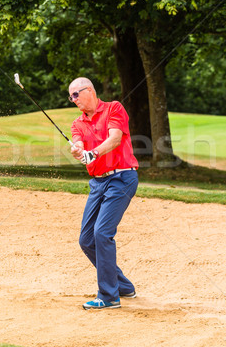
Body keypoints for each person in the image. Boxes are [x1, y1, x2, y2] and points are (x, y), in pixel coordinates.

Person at [68, 77, 139, 310]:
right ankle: (123, 286)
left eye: (76, 94)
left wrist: (94, 153)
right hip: (97, 183)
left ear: (90, 90)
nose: (73, 100)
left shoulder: (113, 108)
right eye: (70, 97)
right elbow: (78, 143)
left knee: (102, 232)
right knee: (87, 239)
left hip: (121, 178)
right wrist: (78, 150)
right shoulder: (77, 123)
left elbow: (115, 138)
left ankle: (109, 296)